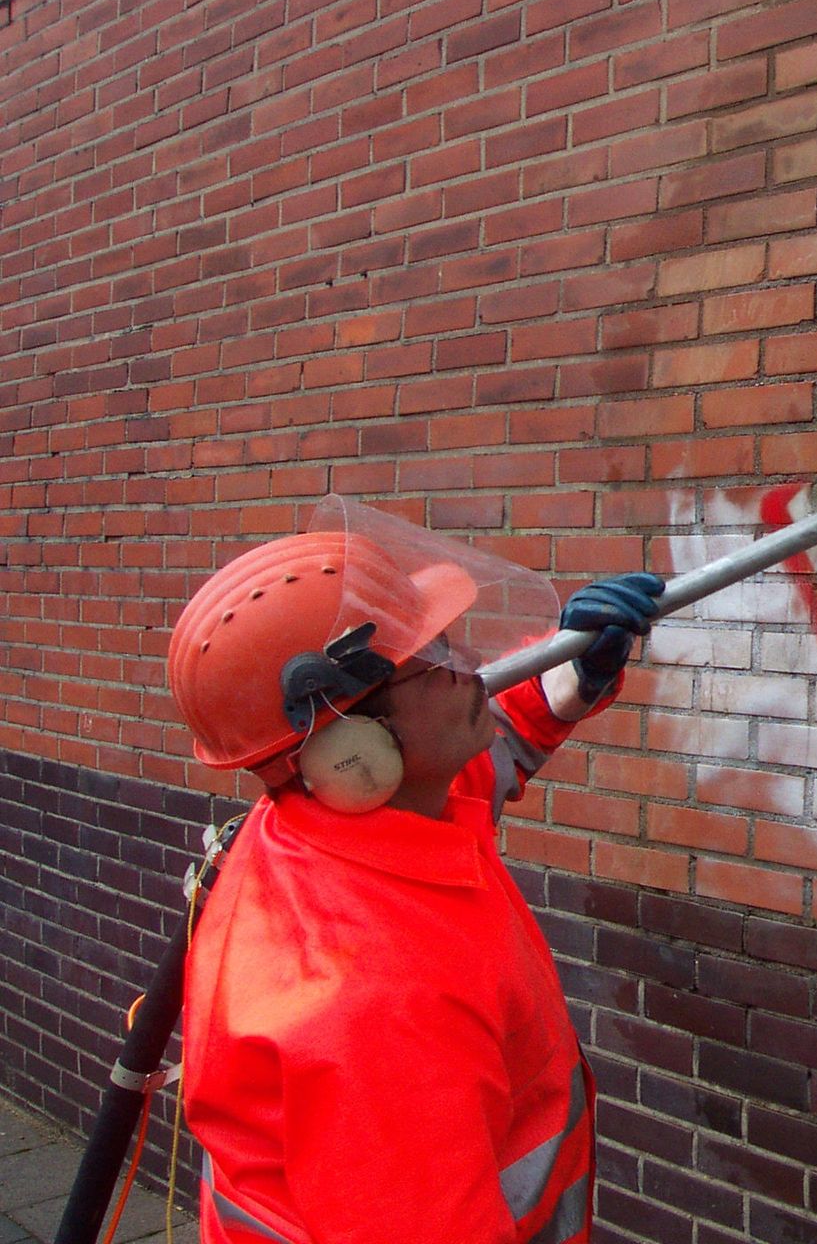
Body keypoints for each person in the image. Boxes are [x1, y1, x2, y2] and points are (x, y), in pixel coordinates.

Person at [163, 497, 664, 1244]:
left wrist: (572, 668)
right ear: (350, 752)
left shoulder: (353, 818)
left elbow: (486, 760)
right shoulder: (367, 1012)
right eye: (430, 662)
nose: (469, 669)